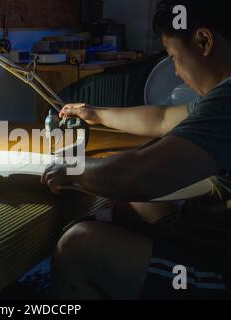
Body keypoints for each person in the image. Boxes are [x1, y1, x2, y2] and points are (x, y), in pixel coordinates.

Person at [41, 0, 231, 299]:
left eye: (175, 58)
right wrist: (96, 113)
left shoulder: (227, 100)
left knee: (77, 246)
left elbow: (142, 176)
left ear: (204, 41)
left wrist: (73, 170)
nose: (178, 73)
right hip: (218, 232)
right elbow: (162, 117)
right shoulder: (219, 98)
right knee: (134, 211)